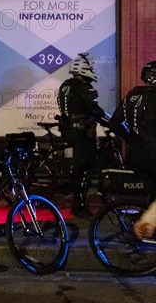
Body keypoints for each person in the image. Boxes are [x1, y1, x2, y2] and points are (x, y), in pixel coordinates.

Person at [109, 61, 156, 240]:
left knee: (146, 192)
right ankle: (147, 226)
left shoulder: (133, 95)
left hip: (136, 153)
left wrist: (132, 140)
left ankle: (141, 225)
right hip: (153, 153)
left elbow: (115, 122)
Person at [57, 53, 106, 219]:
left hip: (69, 131)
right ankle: (78, 205)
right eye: (91, 67)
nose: (94, 70)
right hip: (81, 133)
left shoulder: (66, 85)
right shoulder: (83, 87)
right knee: (84, 168)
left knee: (79, 167)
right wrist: (111, 120)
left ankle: (76, 198)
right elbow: (93, 109)